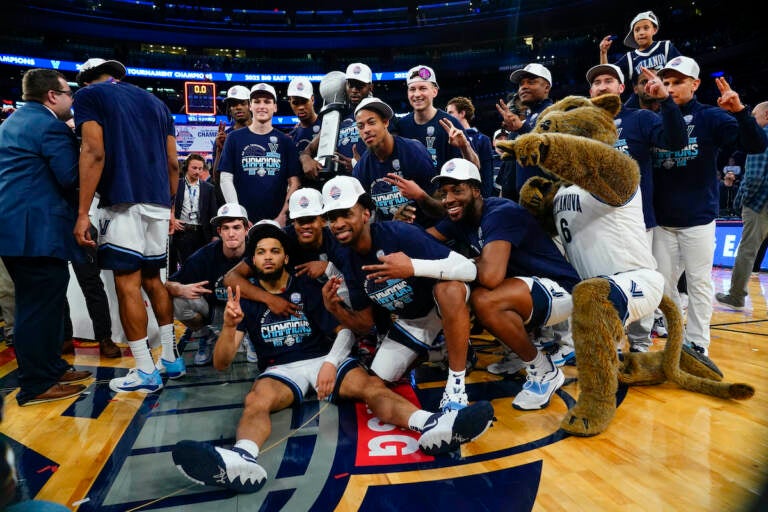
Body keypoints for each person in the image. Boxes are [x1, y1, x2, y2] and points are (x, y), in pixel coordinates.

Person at [170, 222, 494, 493]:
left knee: (373, 387)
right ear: (252, 261)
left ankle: (431, 424)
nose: (267, 257)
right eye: (260, 252)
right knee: (256, 400)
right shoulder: (248, 298)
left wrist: (331, 360)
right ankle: (243, 457)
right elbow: (222, 363)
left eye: (274, 251)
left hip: (322, 358)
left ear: (285, 257)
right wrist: (228, 327)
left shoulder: (309, 286)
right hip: (280, 369)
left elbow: (345, 330)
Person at [425, 159, 581, 409]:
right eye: (444, 193)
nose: (448, 199)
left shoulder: (501, 212)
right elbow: (423, 240)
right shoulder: (461, 217)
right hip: (526, 289)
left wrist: (463, 263)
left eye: (457, 190)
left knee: (484, 299)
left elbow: (491, 277)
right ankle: (517, 355)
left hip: (560, 290)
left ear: (476, 190)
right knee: (459, 291)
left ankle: (544, 371)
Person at [320, 175, 479, 412]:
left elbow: (470, 269)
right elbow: (364, 325)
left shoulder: (400, 233)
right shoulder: (348, 262)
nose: (339, 223)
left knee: (449, 289)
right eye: (333, 218)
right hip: (412, 319)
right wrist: (334, 308)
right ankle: (442, 349)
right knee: (376, 382)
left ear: (365, 214)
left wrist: (412, 267)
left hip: (443, 302)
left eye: (346, 213)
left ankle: (456, 385)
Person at [73, 57, 184, 393]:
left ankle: (145, 370)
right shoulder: (157, 103)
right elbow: (174, 163)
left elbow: (93, 151)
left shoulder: (90, 96)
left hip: (122, 200)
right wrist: (170, 207)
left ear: (86, 79)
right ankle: (171, 359)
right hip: (158, 202)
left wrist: (82, 214)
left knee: (127, 284)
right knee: (154, 280)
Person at [652, 56, 768, 356]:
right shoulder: (654, 117)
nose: (671, 87)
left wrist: (741, 112)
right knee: (663, 289)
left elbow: (755, 145)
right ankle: (676, 336)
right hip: (662, 222)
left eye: (677, 82)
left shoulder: (711, 117)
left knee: (699, 284)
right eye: (666, 82)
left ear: (695, 84)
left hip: (698, 219)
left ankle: (699, 343)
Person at [0, 68, 91, 406]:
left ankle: (50, 368)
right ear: (52, 95)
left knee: (39, 304)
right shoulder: (49, 125)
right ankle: (37, 384)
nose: (71, 99)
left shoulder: (14, 121)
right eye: (68, 92)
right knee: (37, 307)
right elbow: (70, 177)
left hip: (18, 230)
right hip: (34, 231)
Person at [586, 63, 688, 351]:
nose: (602, 85)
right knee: (601, 284)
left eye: (609, 80)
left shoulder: (640, 118)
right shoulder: (582, 126)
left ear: (621, 89)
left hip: (637, 221)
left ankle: (641, 342)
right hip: (594, 222)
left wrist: (666, 101)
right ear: (590, 91)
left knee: (639, 282)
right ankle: (610, 342)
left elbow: (677, 141)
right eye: (596, 82)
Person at [167, 203, 250, 366]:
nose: (231, 234)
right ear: (219, 232)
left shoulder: (258, 252)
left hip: (249, 312)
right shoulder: (205, 255)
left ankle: (252, 336)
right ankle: (207, 335)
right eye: (226, 228)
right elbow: (168, 284)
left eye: (236, 227)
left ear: (246, 229)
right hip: (215, 313)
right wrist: (180, 288)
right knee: (178, 301)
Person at [218, 83, 301, 226]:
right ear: (250, 106)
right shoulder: (234, 138)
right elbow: (225, 178)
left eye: (267, 102)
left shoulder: (285, 142)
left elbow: (295, 182)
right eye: (257, 102)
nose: (262, 106)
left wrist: (283, 216)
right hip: (243, 223)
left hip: (278, 221)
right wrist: (239, 215)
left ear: (275, 107)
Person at [351, 97, 442, 225]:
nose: (366, 130)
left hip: (427, 232)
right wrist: (393, 226)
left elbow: (441, 208)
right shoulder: (361, 169)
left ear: (385, 122)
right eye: (360, 126)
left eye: (371, 122)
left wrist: (420, 195)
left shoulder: (413, 151)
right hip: (391, 237)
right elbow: (365, 220)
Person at [717, 102, 768, 309]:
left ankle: (736, 296)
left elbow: (755, 176)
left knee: (748, 250)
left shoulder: (761, 136)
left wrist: (740, 199)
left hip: (759, 203)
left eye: (754, 115)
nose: (752, 120)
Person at [392, 65, 479, 170]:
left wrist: (464, 146)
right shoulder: (402, 125)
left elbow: (475, 166)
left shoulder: (450, 123)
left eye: (423, 88)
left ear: (435, 91)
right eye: (412, 89)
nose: (417, 94)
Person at [299, 63, 374, 183]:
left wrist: (358, 166)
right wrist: (306, 160)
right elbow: (307, 151)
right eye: (351, 85)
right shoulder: (337, 117)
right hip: (338, 185)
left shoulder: (379, 112)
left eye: (360, 86)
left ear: (370, 87)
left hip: (368, 183)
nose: (354, 90)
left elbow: (391, 151)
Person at [496, 63, 554, 194]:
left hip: (546, 201)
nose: (524, 87)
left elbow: (550, 150)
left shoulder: (555, 114)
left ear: (546, 87)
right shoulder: (529, 118)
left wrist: (522, 128)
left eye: (531, 82)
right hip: (524, 201)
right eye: (521, 84)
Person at [598, 10, 681, 100]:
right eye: (637, 30)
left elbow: (682, 70)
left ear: (654, 29)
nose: (641, 33)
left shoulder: (665, 46)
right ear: (633, 34)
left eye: (646, 28)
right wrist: (603, 52)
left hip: (667, 97)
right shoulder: (629, 57)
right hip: (643, 102)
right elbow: (607, 73)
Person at [170, 153, 218, 272]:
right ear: (187, 167)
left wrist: (215, 235)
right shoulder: (177, 184)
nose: (197, 171)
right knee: (181, 267)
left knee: (200, 267)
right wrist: (172, 220)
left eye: (200, 168)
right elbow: (167, 205)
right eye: (194, 168)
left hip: (201, 233)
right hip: (181, 231)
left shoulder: (208, 188)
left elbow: (213, 212)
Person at [446, 96, 495, 198]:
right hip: (453, 195)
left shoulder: (482, 139)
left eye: (450, 113)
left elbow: (487, 174)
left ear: (462, 113)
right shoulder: (446, 139)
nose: (447, 116)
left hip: (476, 196)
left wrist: (485, 199)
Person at [211, 85, 253, 181]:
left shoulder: (261, 132)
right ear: (229, 109)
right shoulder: (223, 138)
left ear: (250, 106)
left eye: (242, 103)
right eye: (234, 104)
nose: (238, 107)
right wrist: (220, 151)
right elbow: (216, 178)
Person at [286, 76, 320, 154]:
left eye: (304, 102)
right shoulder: (292, 136)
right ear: (290, 102)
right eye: (295, 103)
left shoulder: (327, 125)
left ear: (312, 99)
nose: (301, 107)